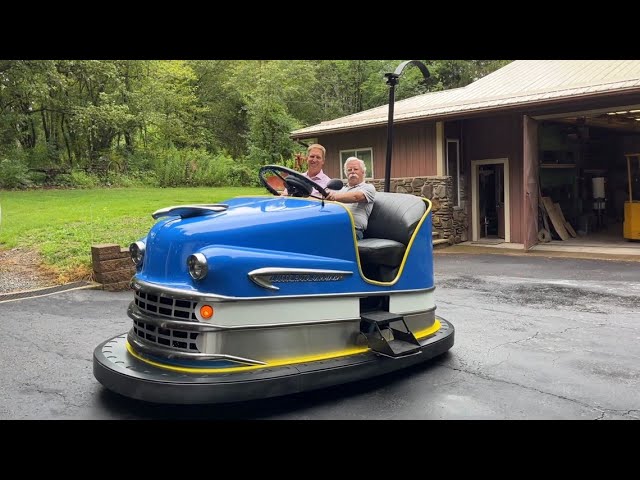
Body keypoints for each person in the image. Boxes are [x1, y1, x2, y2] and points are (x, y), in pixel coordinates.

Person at [326, 157, 375, 240]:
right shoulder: (341, 190)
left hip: (353, 231)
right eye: (349, 170)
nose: (352, 172)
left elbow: (356, 197)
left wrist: (334, 197)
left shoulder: (368, 188)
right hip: (335, 227)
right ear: (346, 174)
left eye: (355, 169)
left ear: (363, 172)